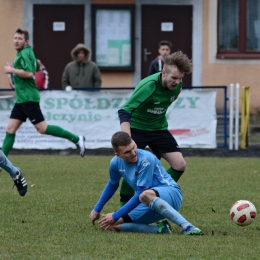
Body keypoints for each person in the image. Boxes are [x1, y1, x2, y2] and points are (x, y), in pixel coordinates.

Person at [90, 131, 203, 235]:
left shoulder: (146, 159)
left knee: (145, 195)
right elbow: (112, 184)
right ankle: (160, 230)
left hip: (171, 194)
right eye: (127, 152)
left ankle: (188, 227)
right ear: (118, 155)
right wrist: (97, 209)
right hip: (145, 202)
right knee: (109, 224)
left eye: (134, 147)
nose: (133, 153)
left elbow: (141, 193)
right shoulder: (115, 163)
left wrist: (115, 215)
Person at [118, 50, 192, 207]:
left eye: (180, 79)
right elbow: (124, 111)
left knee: (180, 164)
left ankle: (155, 194)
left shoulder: (178, 87)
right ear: (163, 72)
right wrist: (129, 140)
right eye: (173, 78)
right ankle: (122, 210)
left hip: (158, 129)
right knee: (131, 169)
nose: (177, 82)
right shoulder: (149, 86)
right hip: (137, 128)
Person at [2, 28, 85, 159]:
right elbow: (36, 67)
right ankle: (2, 162)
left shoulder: (24, 53)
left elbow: (30, 73)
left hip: (28, 98)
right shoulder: (26, 53)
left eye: (20, 39)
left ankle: (76, 139)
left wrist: (12, 70)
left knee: (42, 128)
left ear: (26, 41)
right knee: (10, 130)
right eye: (15, 38)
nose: (16, 41)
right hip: (21, 99)